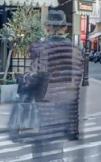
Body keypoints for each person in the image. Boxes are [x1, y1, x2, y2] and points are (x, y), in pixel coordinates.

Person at [29, 9, 85, 160]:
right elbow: (78, 79)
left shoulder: (42, 48)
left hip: (46, 101)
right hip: (65, 102)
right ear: (64, 28)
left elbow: (35, 74)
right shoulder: (75, 49)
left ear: (48, 27)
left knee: (44, 137)